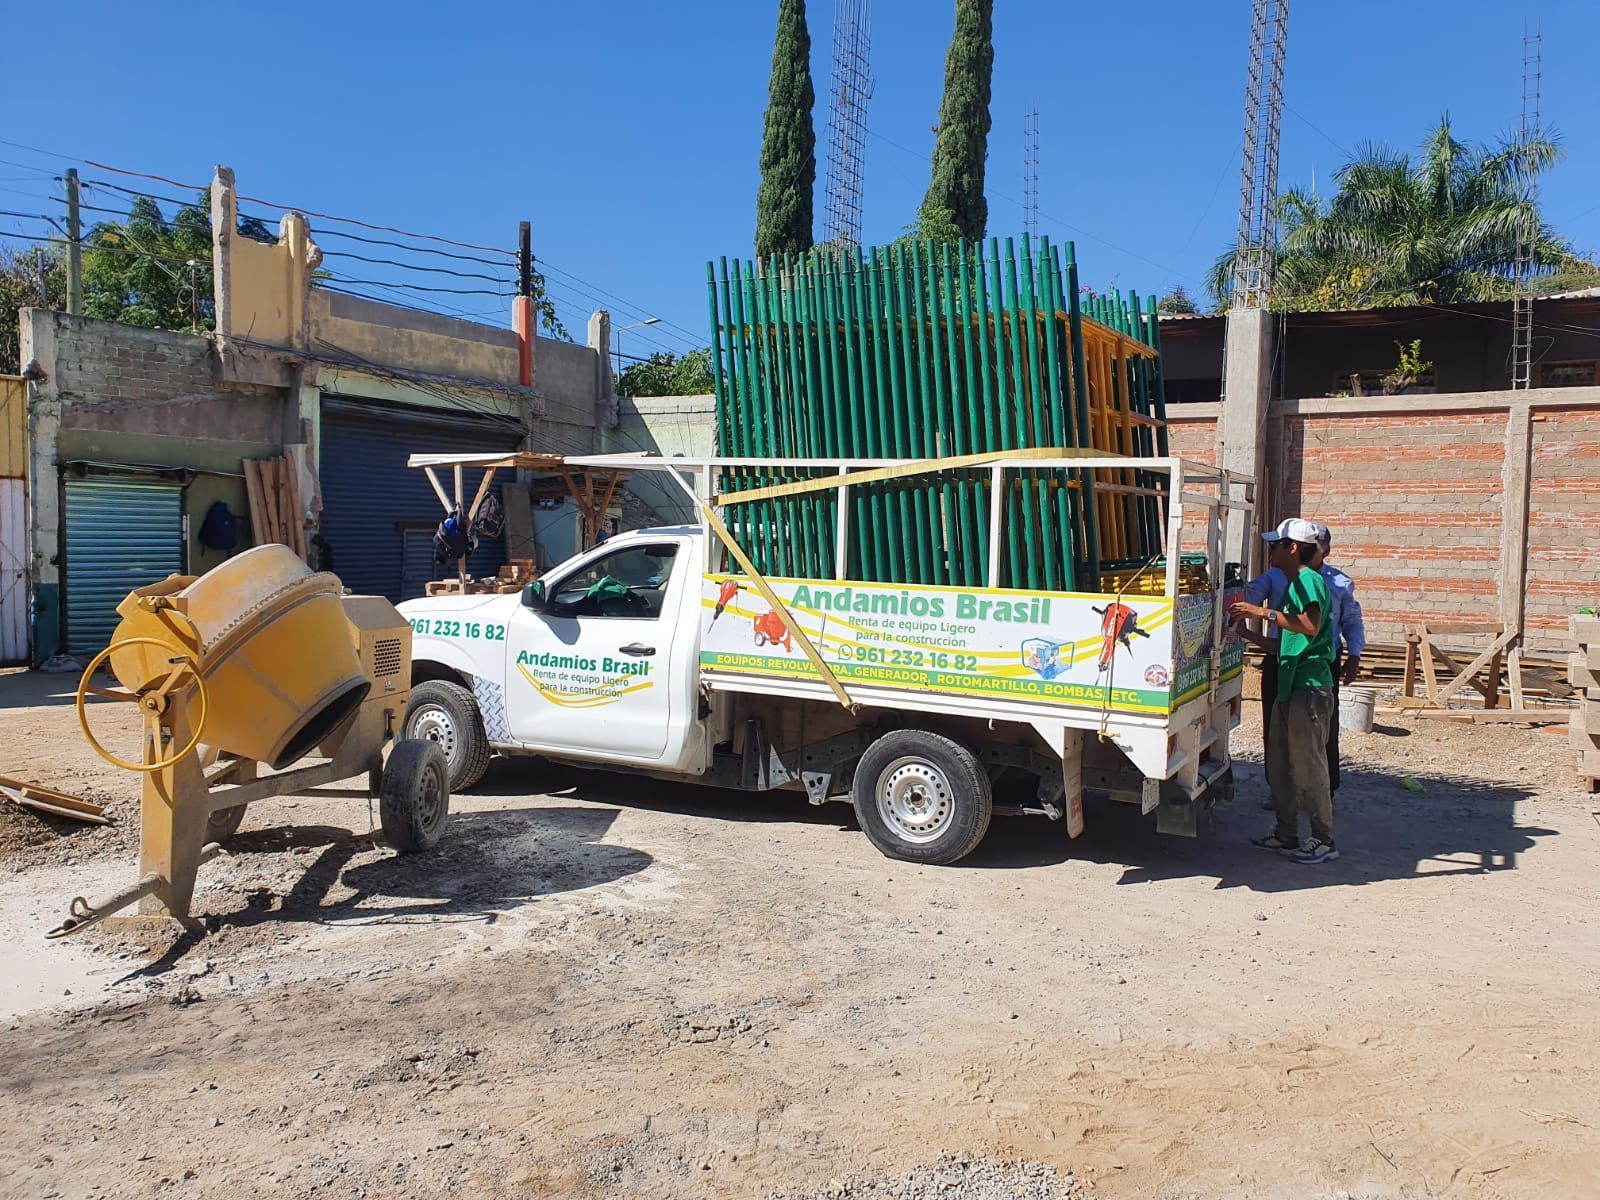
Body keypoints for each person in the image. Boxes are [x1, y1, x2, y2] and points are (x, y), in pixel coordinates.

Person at [1228, 518, 1339, 864]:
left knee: (1308, 766)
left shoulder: (1308, 582)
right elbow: (1286, 645)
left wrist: (1261, 612)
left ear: (1293, 549)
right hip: (1290, 685)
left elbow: (1309, 626)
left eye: (1276, 545)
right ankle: (1286, 833)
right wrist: (1248, 636)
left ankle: (1323, 840)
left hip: (1309, 689)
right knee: (1280, 764)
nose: (1271, 550)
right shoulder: (1293, 585)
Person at [1308, 521, 1366, 794]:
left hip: (1325, 661)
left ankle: (1326, 787)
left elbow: (1352, 621)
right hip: (1288, 660)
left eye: (1314, 545)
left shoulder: (1339, 583)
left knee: (1326, 724)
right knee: (1282, 726)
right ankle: (1283, 791)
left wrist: (1354, 655)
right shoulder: (1282, 577)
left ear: (1326, 550)